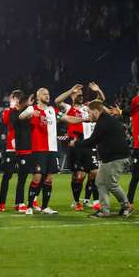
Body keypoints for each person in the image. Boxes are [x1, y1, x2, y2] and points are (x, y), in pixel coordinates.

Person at [19, 85, 84, 215]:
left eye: (48, 93)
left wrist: (84, 119)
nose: (47, 96)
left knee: (49, 179)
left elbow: (67, 118)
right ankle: (30, 206)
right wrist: (30, 113)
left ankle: (45, 207)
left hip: (52, 150)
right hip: (38, 149)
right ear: (38, 96)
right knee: (37, 178)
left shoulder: (52, 110)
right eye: (44, 94)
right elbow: (21, 117)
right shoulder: (33, 108)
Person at [76, 101, 132, 218]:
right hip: (112, 157)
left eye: (90, 113)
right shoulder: (106, 120)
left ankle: (127, 206)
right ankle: (104, 210)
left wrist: (76, 143)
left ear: (96, 111)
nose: (89, 115)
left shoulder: (103, 121)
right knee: (100, 182)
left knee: (111, 183)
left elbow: (93, 140)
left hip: (116, 158)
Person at [59, 83, 104, 211]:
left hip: (89, 144)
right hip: (75, 145)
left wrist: (98, 90)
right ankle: (77, 201)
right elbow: (57, 101)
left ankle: (95, 201)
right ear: (72, 95)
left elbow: (101, 100)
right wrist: (70, 90)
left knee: (95, 173)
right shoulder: (68, 107)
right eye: (77, 94)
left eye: (81, 94)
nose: (80, 96)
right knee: (78, 176)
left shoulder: (88, 106)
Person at [0, 92, 19, 212]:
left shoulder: (23, 110)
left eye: (17, 98)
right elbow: (6, 121)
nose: (16, 100)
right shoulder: (8, 111)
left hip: (23, 148)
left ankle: (18, 203)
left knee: (22, 177)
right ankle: (2, 203)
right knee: (7, 175)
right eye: (14, 98)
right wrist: (11, 108)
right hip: (11, 148)